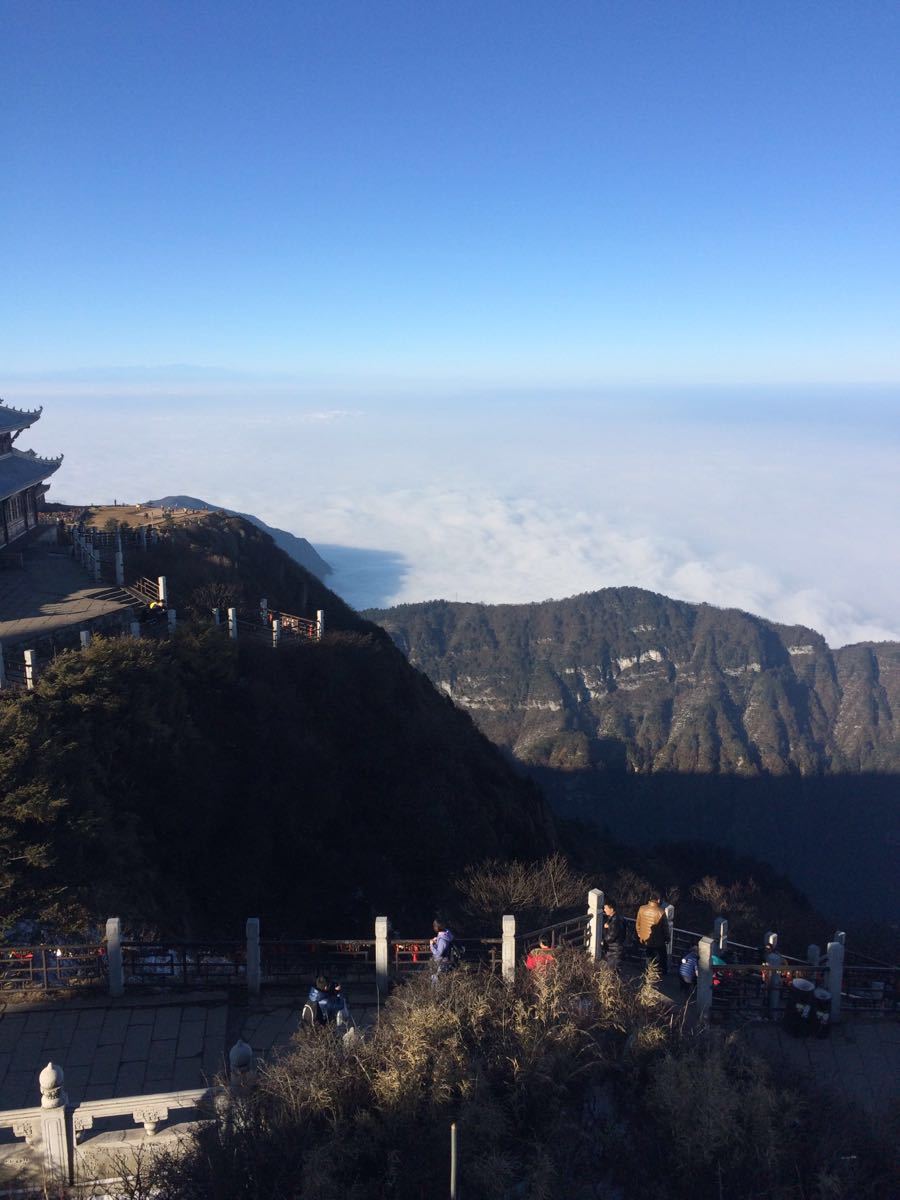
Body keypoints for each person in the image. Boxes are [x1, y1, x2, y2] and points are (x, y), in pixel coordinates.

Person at [635, 892, 670, 975]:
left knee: (648, 955)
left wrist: (639, 933)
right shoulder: (661, 912)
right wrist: (667, 938)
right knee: (662, 956)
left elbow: (638, 923)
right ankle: (662, 971)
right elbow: (665, 928)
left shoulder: (642, 908)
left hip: (645, 938)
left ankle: (649, 971)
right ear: (658, 900)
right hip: (658, 940)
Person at [602, 899, 626, 969]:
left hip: (614, 951)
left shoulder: (615, 921)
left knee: (612, 972)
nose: (604, 910)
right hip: (616, 949)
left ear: (611, 909)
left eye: (606, 908)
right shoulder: (618, 918)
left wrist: (605, 929)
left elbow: (610, 938)